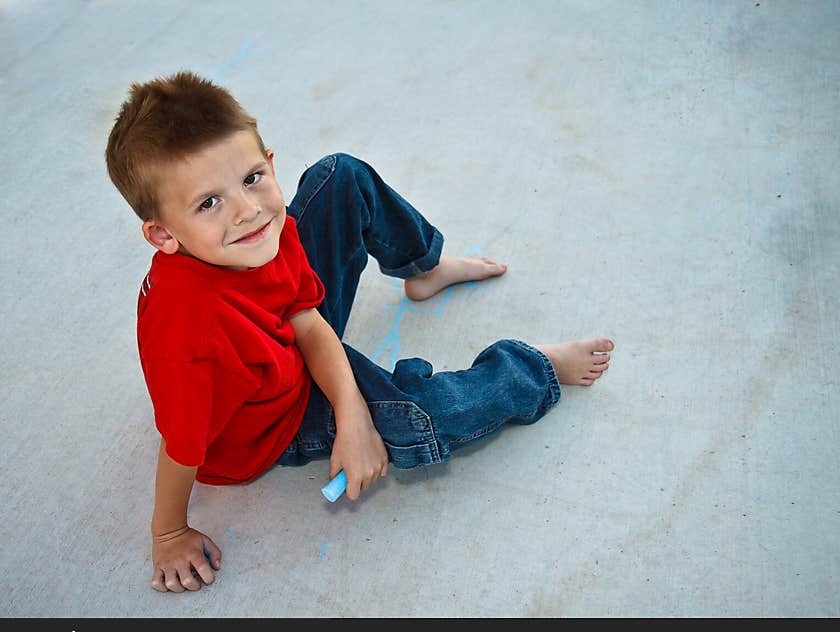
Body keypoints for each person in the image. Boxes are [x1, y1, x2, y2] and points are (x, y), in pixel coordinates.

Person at [105, 71, 614, 594]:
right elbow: (183, 447)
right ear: (163, 234)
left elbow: (306, 320)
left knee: (340, 176)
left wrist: (351, 412)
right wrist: (167, 533)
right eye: (208, 203)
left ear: (269, 162)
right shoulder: (191, 338)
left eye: (252, 177)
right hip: (273, 417)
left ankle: (423, 267)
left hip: (283, 341)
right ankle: (535, 368)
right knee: (416, 415)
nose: (246, 208)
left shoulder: (257, 231)